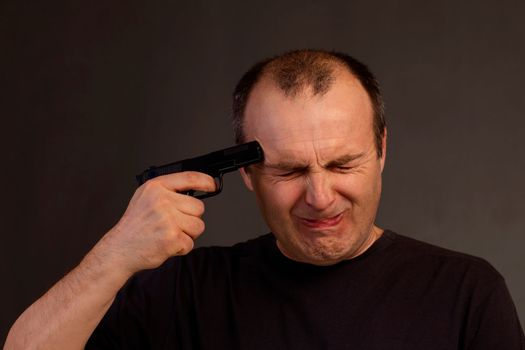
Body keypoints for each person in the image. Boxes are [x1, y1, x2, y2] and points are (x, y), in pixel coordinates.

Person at [5, 50, 524, 349]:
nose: (320, 197)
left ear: (382, 149)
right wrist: (115, 255)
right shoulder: (184, 292)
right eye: (290, 170)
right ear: (248, 170)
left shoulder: (466, 294)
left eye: (343, 164)